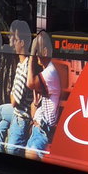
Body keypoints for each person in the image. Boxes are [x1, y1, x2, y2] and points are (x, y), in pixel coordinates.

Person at [0, 20, 34, 154]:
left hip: (21, 116)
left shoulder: (25, 68)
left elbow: (14, 101)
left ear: (22, 43)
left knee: (12, 150)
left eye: (14, 38)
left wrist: (12, 92)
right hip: (18, 112)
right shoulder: (22, 63)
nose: (11, 40)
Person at [25, 31, 61, 159]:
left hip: (43, 133)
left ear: (45, 51)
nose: (35, 53)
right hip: (37, 130)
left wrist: (30, 57)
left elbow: (29, 83)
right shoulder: (45, 74)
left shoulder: (50, 72)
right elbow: (34, 112)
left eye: (37, 49)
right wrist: (35, 104)